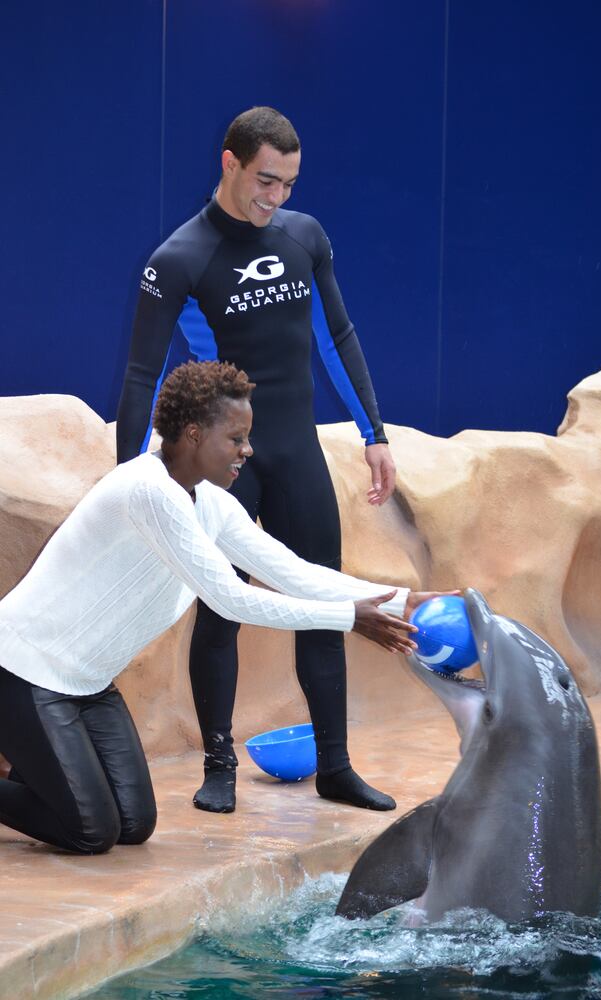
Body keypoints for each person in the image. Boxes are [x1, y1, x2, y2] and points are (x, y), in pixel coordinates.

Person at [0, 360, 443, 855]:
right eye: (236, 438)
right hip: (26, 672)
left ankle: (35, 767)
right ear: (194, 434)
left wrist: (403, 600)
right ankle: (32, 759)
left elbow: (292, 572)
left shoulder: (210, 503)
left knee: (133, 824)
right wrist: (349, 619)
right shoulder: (148, 490)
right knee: (91, 832)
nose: (248, 450)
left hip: (89, 684)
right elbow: (230, 598)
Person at [116, 106, 400, 815]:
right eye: (266, 181)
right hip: (225, 470)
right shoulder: (179, 258)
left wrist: (374, 433)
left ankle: (335, 766)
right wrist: (127, 477)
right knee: (221, 613)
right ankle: (219, 768)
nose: (277, 197)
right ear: (230, 163)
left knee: (325, 604)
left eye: (289, 184)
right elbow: (142, 376)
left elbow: (337, 336)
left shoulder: (305, 237)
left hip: (297, 452)